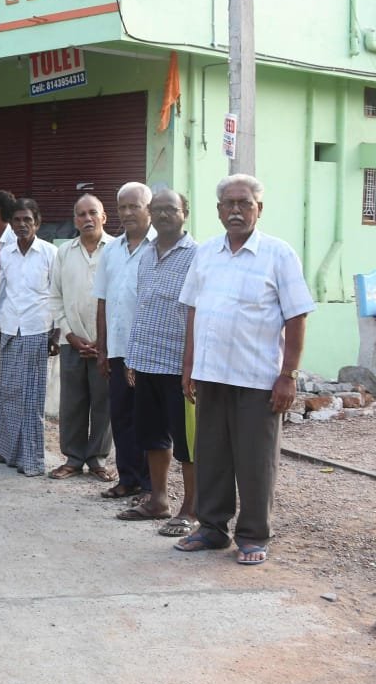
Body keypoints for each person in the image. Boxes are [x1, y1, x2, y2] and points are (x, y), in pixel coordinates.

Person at [176, 175, 314, 565]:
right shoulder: (205, 253)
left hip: (258, 378)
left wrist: (288, 375)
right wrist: (189, 364)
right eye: (229, 204)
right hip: (211, 373)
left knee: (255, 460)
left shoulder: (278, 254)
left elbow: (297, 316)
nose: (236, 210)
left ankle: (254, 535)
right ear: (219, 210)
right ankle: (211, 529)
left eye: (245, 203)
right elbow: (193, 310)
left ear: (259, 209)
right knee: (212, 455)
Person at [117, 189, 197, 536]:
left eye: (171, 209)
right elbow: (143, 308)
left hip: (180, 366)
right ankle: (158, 500)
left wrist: (193, 366)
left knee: (187, 442)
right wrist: (132, 358)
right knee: (151, 436)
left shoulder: (198, 255)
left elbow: (199, 313)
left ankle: (191, 509)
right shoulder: (146, 254)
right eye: (158, 209)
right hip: (146, 360)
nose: (164, 215)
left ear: (185, 213)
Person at [93, 182, 156, 500]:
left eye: (135, 206)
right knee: (121, 415)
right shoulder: (112, 250)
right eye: (122, 207)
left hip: (150, 350)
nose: (128, 213)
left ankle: (150, 485)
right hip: (118, 349)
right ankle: (128, 478)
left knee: (150, 419)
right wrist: (102, 348)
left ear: (149, 209)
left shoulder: (162, 247)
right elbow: (102, 301)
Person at [0, 199, 58, 476]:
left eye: (27, 219)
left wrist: (57, 331)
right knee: (8, 394)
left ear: (37, 222)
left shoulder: (50, 253)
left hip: (37, 330)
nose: (22, 224)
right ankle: (9, 452)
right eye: (17, 220)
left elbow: (56, 293)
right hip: (8, 329)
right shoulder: (4, 254)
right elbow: (1, 293)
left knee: (32, 398)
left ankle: (31, 460)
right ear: (11, 223)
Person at [47, 194, 115, 481]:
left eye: (92, 213)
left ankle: (97, 459)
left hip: (107, 345)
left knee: (104, 403)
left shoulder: (116, 250)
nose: (87, 219)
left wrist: (104, 341)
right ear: (74, 220)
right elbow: (55, 296)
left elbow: (122, 298)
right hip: (72, 341)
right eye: (81, 214)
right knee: (72, 403)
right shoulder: (64, 252)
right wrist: (69, 334)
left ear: (104, 217)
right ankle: (73, 459)